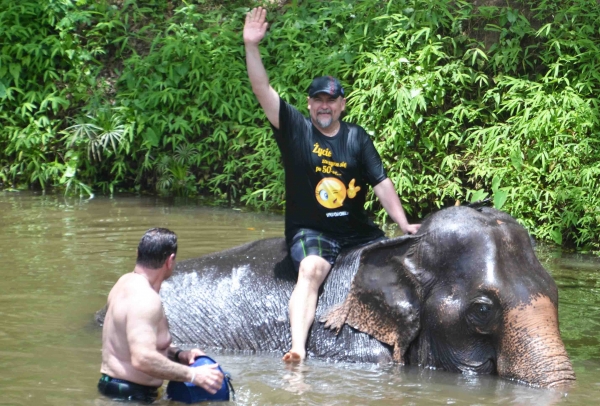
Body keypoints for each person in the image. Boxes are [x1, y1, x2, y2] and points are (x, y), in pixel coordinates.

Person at [243, 7, 421, 362]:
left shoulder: (357, 138)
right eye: (318, 100)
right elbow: (261, 88)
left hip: (357, 232)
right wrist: (252, 46)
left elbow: (381, 183)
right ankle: (297, 347)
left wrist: (403, 225)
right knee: (310, 270)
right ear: (309, 104)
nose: (324, 106)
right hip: (313, 231)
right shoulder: (295, 128)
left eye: (331, 100)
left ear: (341, 104)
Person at [99, 228, 223, 403]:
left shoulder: (125, 282)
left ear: (138, 254)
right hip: (131, 397)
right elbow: (143, 358)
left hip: (116, 389)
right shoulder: (146, 299)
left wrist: (179, 354)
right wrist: (194, 375)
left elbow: (134, 344)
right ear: (170, 260)